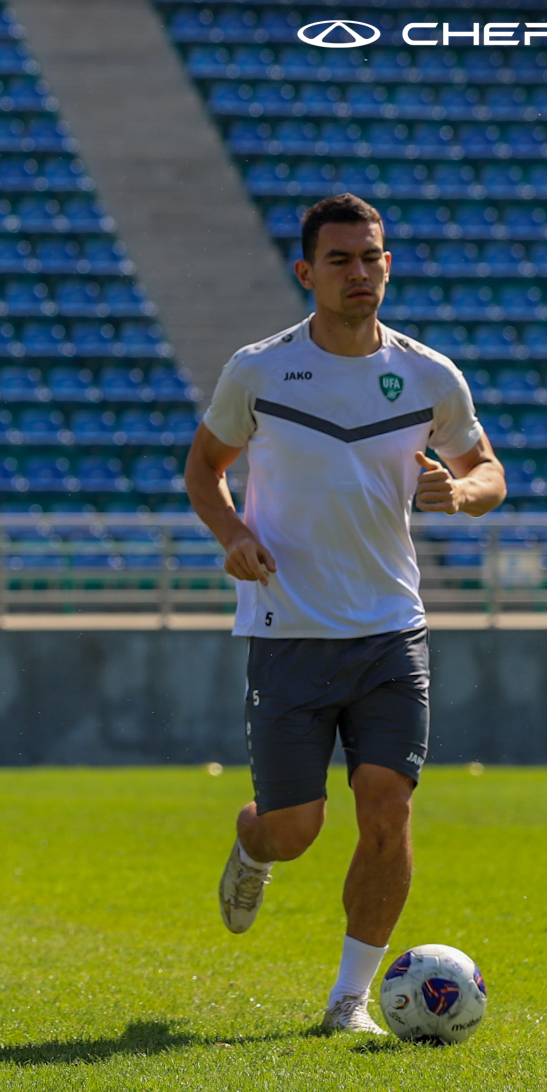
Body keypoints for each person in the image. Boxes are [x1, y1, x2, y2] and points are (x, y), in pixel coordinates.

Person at [184, 193, 507, 1034]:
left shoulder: (431, 374)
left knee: (386, 806)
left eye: (371, 257)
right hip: (287, 629)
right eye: (340, 260)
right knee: (297, 827)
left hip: (391, 630)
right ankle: (254, 845)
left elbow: (488, 471)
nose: (359, 272)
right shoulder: (259, 368)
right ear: (307, 272)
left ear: (388, 265)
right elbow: (204, 468)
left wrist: (461, 491)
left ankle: (349, 1000)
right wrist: (232, 534)